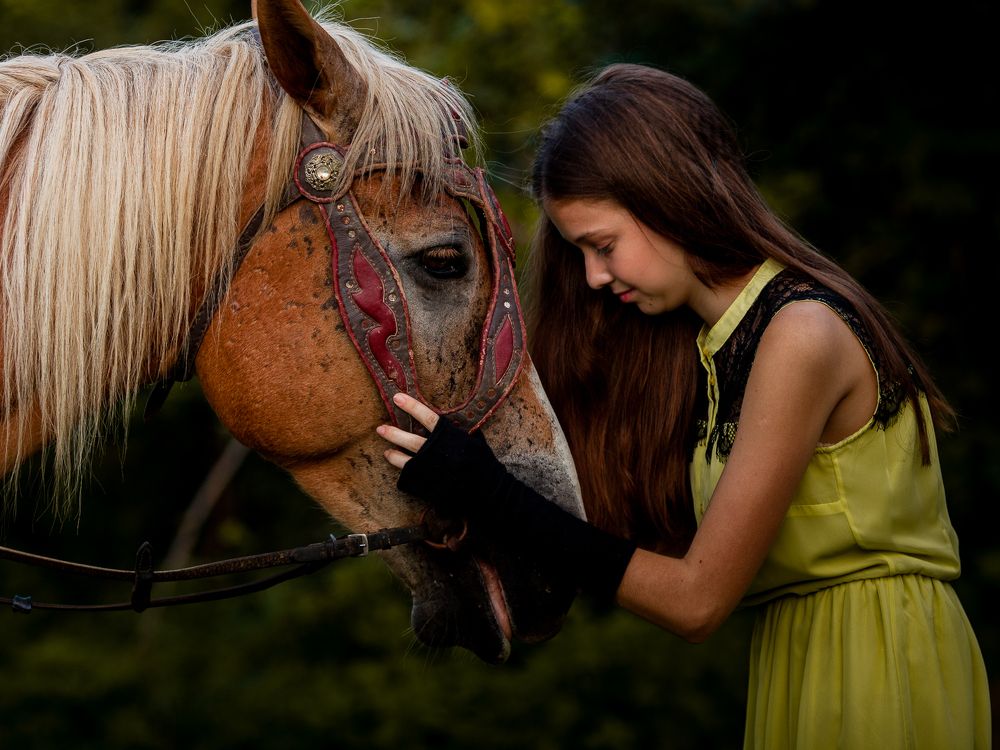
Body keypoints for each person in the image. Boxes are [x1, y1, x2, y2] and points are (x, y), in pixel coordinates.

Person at [375, 63, 991, 748]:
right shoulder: (712, 348)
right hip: (797, 655)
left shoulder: (801, 334)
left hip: (879, 659)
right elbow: (637, 554)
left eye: (603, 246)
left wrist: (488, 491)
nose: (594, 276)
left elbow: (696, 601)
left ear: (665, 197)